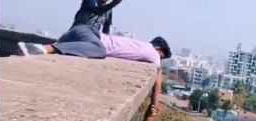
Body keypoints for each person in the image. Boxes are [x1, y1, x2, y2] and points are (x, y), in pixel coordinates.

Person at [17, 33, 171, 114]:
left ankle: (40, 47)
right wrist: (153, 109)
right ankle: (40, 49)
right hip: (94, 40)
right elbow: (157, 85)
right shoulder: (153, 53)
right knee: (99, 51)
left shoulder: (140, 45)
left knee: (69, 47)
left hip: (85, 31)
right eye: (162, 57)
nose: (160, 60)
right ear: (158, 50)